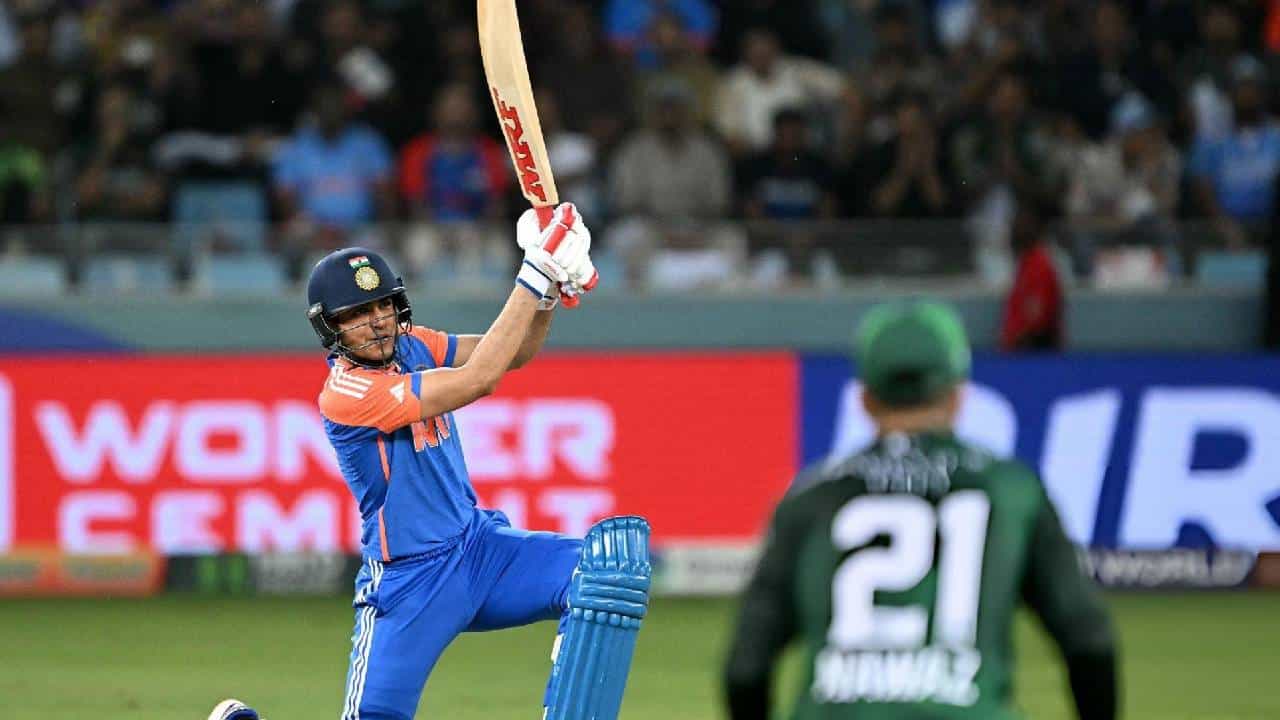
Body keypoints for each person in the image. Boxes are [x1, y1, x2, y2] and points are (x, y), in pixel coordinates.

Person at [208, 204, 651, 720]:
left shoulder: (413, 344)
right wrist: (534, 271)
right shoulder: (346, 394)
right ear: (331, 328)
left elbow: (510, 353)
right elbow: (479, 379)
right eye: (357, 314)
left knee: (604, 575)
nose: (377, 322)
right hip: (409, 582)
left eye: (382, 305)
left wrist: (549, 292)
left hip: (479, 550)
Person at [723, 301, 1117, 720]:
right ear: (957, 395)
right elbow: (1089, 640)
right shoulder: (1011, 490)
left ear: (866, 399)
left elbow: (746, 668)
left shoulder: (811, 497)